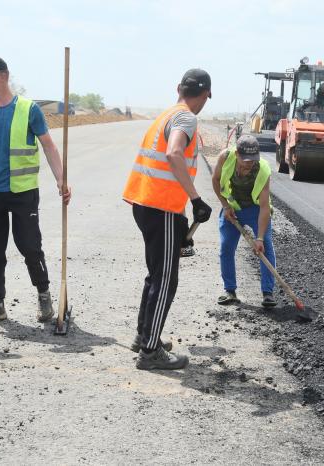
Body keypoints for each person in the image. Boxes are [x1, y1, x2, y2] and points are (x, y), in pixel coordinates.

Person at [0, 55, 71, 325]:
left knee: (30, 247)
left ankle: (44, 295)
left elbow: (49, 146)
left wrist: (61, 180)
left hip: (22, 192)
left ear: (3, 76)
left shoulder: (29, 109)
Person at [122, 68, 213, 370]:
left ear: (179, 88)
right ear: (205, 95)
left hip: (144, 202)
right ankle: (150, 352)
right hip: (161, 207)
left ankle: (144, 336)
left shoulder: (166, 114)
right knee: (165, 281)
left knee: (155, 275)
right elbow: (174, 153)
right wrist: (196, 199)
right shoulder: (187, 117)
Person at [212, 135, 277, 308]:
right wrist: (225, 206)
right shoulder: (225, 157)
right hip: (232, 208)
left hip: (255, 210)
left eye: (252, 160)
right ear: (236, 153)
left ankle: (268, 293)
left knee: (266, 247)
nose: (249, 163)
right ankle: (230, 291)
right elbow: (216, 180)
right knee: (226, 247)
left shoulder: (263, 169)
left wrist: (260, 238)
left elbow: (264, 207)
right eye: (245, 160)